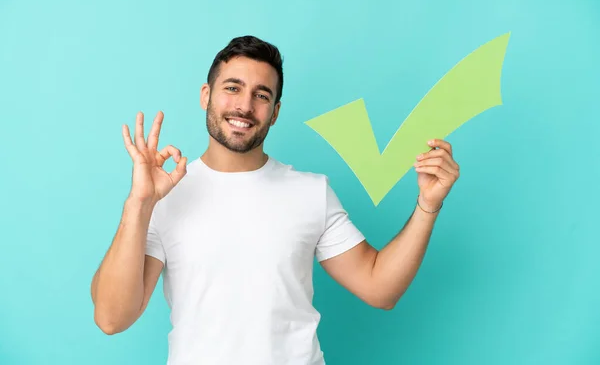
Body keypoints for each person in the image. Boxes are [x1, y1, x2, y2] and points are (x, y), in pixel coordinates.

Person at [90, 35, 460, 364]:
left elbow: (381, 288)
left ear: (275, 112)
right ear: (206, 95)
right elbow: (111, 318)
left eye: (261, 95)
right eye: (232, 88)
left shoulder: (311, 192)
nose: (245, 106)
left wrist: (428, 204)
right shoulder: (166, 195)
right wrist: (140, 203)